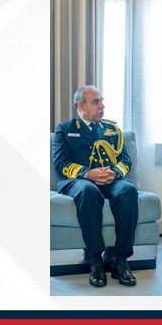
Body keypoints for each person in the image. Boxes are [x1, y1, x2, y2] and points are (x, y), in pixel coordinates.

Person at [52, 86, 138, 288]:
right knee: (88, 191)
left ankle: (121, 260)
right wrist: (87, 173)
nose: (102, 106)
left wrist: (114, 172)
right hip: (78, 181)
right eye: (96, 102)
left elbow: (125, 160)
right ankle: (95, 260)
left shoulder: (111, 129)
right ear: (80, 105)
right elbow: (60, 163)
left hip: (109, 179)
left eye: (102, 101)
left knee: (128, 191)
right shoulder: (65, 129)